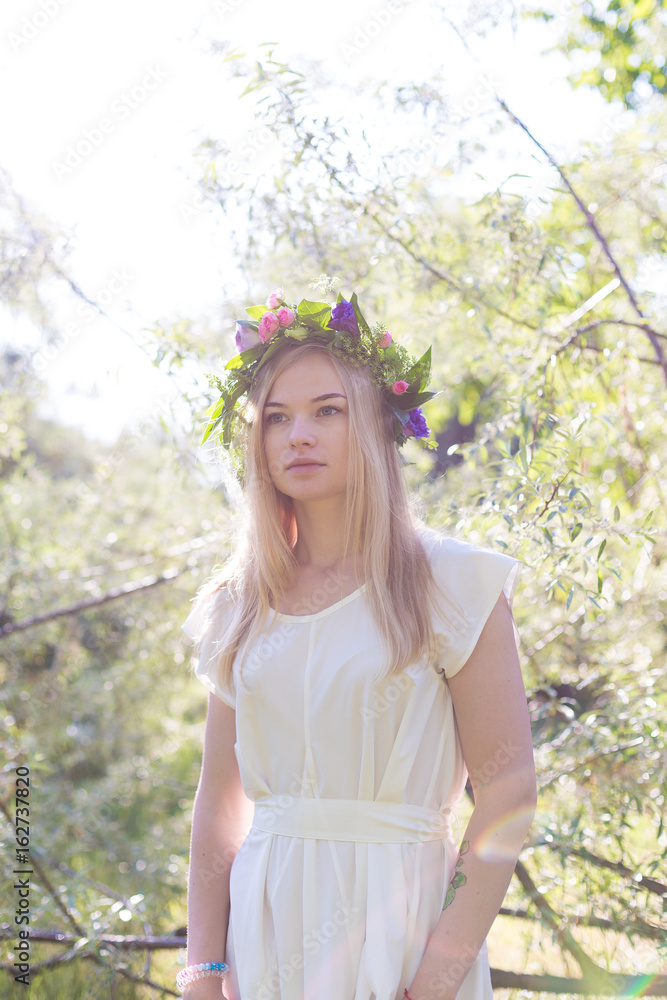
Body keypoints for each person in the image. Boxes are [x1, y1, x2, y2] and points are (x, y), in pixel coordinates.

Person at [178, 281, 537, 1000]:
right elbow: (220, 805)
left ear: (376, 424)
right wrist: (203, 971)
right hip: (265, 932)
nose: (297, 435)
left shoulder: (452, 582)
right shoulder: (237, 605)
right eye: (276, 417)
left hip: (401, 929)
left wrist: (436, 979)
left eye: (327, 410)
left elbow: (508, 790)